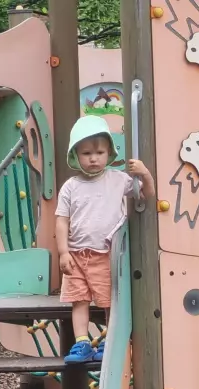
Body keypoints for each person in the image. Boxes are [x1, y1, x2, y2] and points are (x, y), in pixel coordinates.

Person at [56, 115, 154, 364]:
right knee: (79, 300)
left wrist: (145, 175)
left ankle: (111, 342)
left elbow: (147, 197)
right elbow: (62, 221)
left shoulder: (118, 179)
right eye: (86, 152)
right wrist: (63, 252)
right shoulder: (71, 186)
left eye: (99, 152)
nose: (93, 158)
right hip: (77, 254)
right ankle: (82, 343)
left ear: (109, 153)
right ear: (76, 155)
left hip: (105, 254)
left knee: (109, 301)